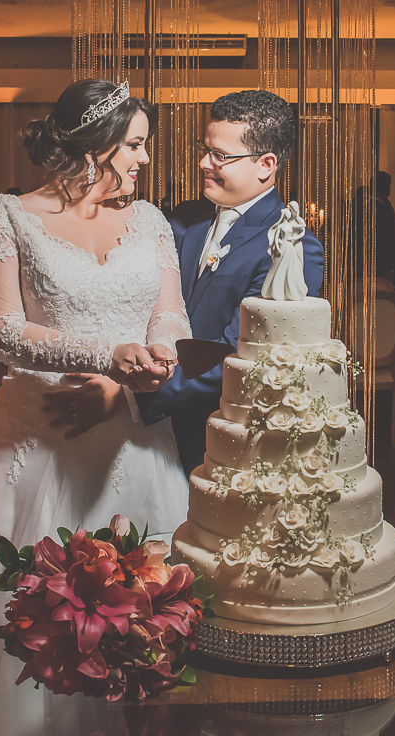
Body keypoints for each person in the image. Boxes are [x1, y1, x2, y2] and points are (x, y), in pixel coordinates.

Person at [0, 78, 191, 736]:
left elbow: (171, 315)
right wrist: (106, 355)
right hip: (39, 442)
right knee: (36, 613)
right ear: (95, 147)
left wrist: (155, 362)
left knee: (141, 614)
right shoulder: (5, 216)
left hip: (133, 441)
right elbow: (1, 333)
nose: (145, 158)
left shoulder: (150, 222)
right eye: (135, 144)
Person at [133, 89, 324, 474]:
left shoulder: (292, 247)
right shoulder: (182, 219)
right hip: (145, 439)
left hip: (222, 442)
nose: (204, 163)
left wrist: (136, 396)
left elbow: (246, 356)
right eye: (205, 150)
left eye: (220, 156)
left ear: (266, 164)